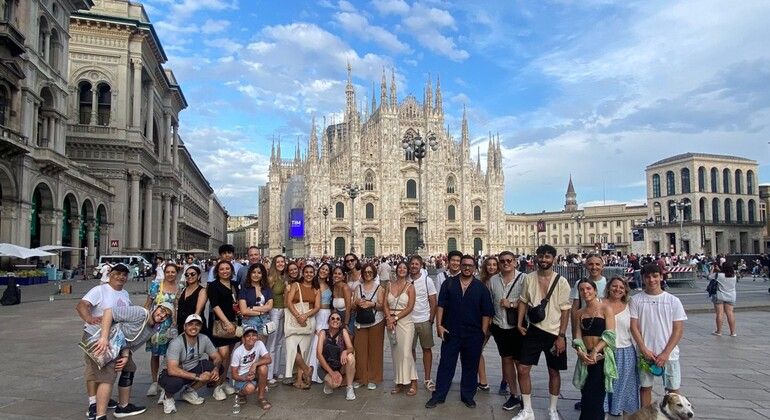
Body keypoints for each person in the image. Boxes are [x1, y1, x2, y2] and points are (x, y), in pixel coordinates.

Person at [425, 254, 494, 409]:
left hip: (473, 333)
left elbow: (486, 312)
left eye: (470, 265)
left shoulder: (481, 288)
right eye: (464, 265)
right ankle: (439, 395)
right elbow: (440, 305)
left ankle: (468, 396)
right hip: (451, 331)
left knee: (470, 365)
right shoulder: (449, 283)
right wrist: (439, 325)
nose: (467, 267)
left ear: (475, 268)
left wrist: (482, 333)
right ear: (459, 266)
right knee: (445, 364)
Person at [513, 244, 571, 420]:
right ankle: (528, 410)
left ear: (554, 259)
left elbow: (566, 310)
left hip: (554, 333)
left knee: (554, 371)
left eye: (547, 257)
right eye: (541, 256)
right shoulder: (529, 278)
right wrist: (519, 322)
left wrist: (561, 336)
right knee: (523, 369)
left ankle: (552, 409)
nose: (544, 260)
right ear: (536, 258)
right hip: (534, 330)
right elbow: (523, 300)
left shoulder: (561, 281)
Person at [90, 302, 174, 420]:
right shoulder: (140, 313)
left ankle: (123, 407)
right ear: (156, 307)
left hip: (120, 347)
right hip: (106, 343)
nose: (162, 315)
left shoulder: (153, 328)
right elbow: (109, 312)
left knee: (130, 367)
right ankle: (100, 416)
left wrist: (125, 356)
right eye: (162, 310)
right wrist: (104, 338)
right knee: (108, 377)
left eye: (166, 316)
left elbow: (130, 341)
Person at [76, 263, 132, 420]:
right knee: (95, 369)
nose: (121, 277)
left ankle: (104, 401)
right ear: (110, 275)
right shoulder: (99, 290)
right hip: (94, 336)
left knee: (111, 369)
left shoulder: (125, 294)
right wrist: (89, 318)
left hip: (114, 339)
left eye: (124, 274)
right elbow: (81, 305)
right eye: (117, 274)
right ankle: (93, 405)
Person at [630, 263, 687, 408]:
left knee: (673, 390)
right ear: (643, 278)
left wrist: (666, 353)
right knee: (645, 388)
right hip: (645, 354)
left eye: (655, 276)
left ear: (661, 277)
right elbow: (634, 326)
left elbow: (678, 330)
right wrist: (643, 349)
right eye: (647, 277)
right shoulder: (636, 300)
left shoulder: (673, 301)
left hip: (669, 353)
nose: (651, 280)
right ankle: (645, 416)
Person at [158, 314, 222, 414]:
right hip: (169, 373)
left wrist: (216, 369)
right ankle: (167, 397)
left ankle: (189, 391)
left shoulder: (204, 339)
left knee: (215, 367)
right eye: (190, 324)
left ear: (201, 327)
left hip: (191, 369)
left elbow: (217, 357)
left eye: (197, 324)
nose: (194, 327)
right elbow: (172, 370)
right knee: (175, 383)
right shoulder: (176, 343)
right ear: (184, 326)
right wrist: (198, 377)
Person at [572, 280, 616, 420]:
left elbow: (610, 335)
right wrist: (580, 352)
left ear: (595, 290)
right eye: (582, 289)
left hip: (600, 357)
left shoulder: (605, 309)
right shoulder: (579, 313)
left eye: (588, 288)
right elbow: (577, 335)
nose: (585, 292)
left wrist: (595, 351)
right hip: (585, 357)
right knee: (585, 392)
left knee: (595, 394)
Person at [489, 251, 526, 411]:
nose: (505, 263)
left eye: (509, 260)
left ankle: (525, 396)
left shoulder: (524, 279)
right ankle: (514, 395)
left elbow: (530, 302)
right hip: (499, 326)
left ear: (515, 262)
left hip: (517, 327)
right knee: (506, 361)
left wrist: (511, 304)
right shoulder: (493, 280)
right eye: (502, 261)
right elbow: (489, 302)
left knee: (520, 364)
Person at [603, 277, 640, 417]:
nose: (617, 289)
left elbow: (635, 330)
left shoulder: (629, 306)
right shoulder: (600, 303)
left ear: (625, 291)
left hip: (626, 351)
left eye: (621, 287)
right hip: (606, 350)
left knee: (625, 387)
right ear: (608, 287)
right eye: (614, 286)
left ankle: (625, 415)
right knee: (605, 386)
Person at [144, 263, 179, 398]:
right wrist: (145, 320)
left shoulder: (179, 287)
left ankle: (165, 382)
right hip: (156, 326)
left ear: (177, 273)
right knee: (155, 354)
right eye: (168, 272)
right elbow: (148, 304)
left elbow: (178, 306)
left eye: (173, 272)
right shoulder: (156, 285)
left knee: (169, 355)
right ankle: (154, 382)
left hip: (171, 327)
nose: (170, 274)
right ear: (164, 272)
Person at [207, 260, 241, 400]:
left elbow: (236, 301)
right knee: (222, 354)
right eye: (222, 269)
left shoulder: (234, 285)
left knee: (229, 354)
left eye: (228, 268)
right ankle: (216, 385)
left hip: (234, 322)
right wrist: (226, 322)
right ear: (217, 271)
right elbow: (215, 306)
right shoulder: (213, 285)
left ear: (231, 270)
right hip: (220, 324)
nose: (225, 271)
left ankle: (223, 381)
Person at [384, 261, 418, 396]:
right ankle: (399, 382)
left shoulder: (410, 287)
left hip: (404, 322)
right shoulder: (389, 285)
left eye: (405, 268)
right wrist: (389, 318)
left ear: (407, 271)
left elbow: (410, 307)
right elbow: (385, 304)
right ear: (396, 270)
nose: (402, 270)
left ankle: (413, 381)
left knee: (406, 353)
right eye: (400, 268)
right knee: (396, 353)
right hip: (391, 322)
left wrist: (395, 318)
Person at [284, 264, 321, 388]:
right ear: (303, 273)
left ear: (314, 274)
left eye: (311, 272)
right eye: (306, 272)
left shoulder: (316, 289)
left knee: (304, 351)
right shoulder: (296, 285)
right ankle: (307, 370)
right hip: (294, 320)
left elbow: (317, 307)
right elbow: (288, 302)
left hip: (308, 321)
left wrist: (305, 316)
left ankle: (299, 381)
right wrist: (298, 316)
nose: (309, 274)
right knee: (291, 349)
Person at [353, 262, 386, 390]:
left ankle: (373, 378)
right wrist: (357, 302)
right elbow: (353, 306)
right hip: (360, 321)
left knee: (375, 350)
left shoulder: (379, 288)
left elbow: (382, 305)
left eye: (370, 272)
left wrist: (371, 304)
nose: (368, 274)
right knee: (360, 350)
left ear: (374, 274)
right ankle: (362, 378)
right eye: (365, 272)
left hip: (376, 321)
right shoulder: (358, 287)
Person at [409, 254, 438, 392]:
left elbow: (433, 301)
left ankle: (427, 378)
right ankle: (412, 378)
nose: (414, 266)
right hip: (408, 321)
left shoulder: (427, 281)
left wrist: (431, 320)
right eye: (412, 264)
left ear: (421, 266)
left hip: (424, 319)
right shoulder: (405, 280)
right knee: (410, 350)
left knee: (427, 349)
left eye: (416, 264)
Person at [230, 326, 273, 410]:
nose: (251, 338)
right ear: (243, 338)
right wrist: (245, 378)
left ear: (257, 336)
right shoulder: (238, 352)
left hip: (253, 372)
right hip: (241, 376)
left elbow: (269, 359)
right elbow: (234, 375)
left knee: (263, 368)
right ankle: (240, 393)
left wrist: (255, 364)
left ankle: (261, 398)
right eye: (248, 335)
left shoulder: (259, 343)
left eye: (254, 335)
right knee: (250, 389)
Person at [316, 312, 357, 400]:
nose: (335, 320)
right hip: (326, 368)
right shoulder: (323, 333)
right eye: (333, 318)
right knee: (335, 384)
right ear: (328, 321)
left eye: (338, 319)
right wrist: (331, 373)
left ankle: (349, 388)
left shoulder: (343, 332)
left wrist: (345, 351)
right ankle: (328, 383)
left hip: (339, 365)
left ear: (341, 323)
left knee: (350, 357)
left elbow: (351, 348)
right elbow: (319, 354)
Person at [477, 255, 499, 391]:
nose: (491, 267)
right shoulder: (481, 282)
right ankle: (483, 381)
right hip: (485, 321)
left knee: (507, 355)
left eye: (494, 265)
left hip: (500, 321)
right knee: (477, 350)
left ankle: (506, 381)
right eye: (489, 264)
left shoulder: (504, 281)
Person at [309, 262, 333, 383]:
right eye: (322, 269)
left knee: (324, 343)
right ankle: (312, 374)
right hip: (318, 315)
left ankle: (322, 372)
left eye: (327, 270)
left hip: (327, 315)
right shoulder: (313, 284)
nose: (324, 271)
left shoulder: (329, 284)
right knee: (316, 342)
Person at [265, 254, 287, 384]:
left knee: (279, 342)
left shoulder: (283, 277)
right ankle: (268, 374)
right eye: (278, 262)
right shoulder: (271, 277)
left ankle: (276, 371)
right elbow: (268, 295)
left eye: (282, 262)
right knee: (272, 343)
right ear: (274, 263)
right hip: (274, 311)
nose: (280, 264)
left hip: (283, 311)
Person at [238, 263, 273, 337]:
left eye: (259, 273)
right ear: (250, 273)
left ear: (262, 275)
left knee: (260, 346)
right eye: (254, 272)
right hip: (249, 322)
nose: (256, 275)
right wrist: (260, 312)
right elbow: (244, 311)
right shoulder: (244, 289)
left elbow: (269, 307)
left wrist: (251, 308)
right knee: (249, 346)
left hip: (264, 322)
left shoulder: (266, 288)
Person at [176, 266, 207, 336]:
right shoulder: (183, 289)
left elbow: (198, 312)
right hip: (181, 325)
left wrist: (190, 325)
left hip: (194, 326)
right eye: (187, 274)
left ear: (198, 276)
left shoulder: (202, 291)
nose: (189, 276)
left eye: (193, 274)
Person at [710, 262, 737, 336]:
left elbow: (709, 277)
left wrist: (713, 269)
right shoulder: (734, 276)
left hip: (720, 295)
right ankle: (733, 332)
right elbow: (726, 274)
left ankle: (719, 331)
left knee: (720, 313)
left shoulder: (719, 275)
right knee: (730, 313)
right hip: (731, 296)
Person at [331, 265, 353, 332]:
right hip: (338, 317)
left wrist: (346, 324)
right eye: (335, 273)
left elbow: (348, 307)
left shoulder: (345, 288)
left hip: (349, 317)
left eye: (339, 274)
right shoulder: (334, 286)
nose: (336, 275)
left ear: (343, 277)